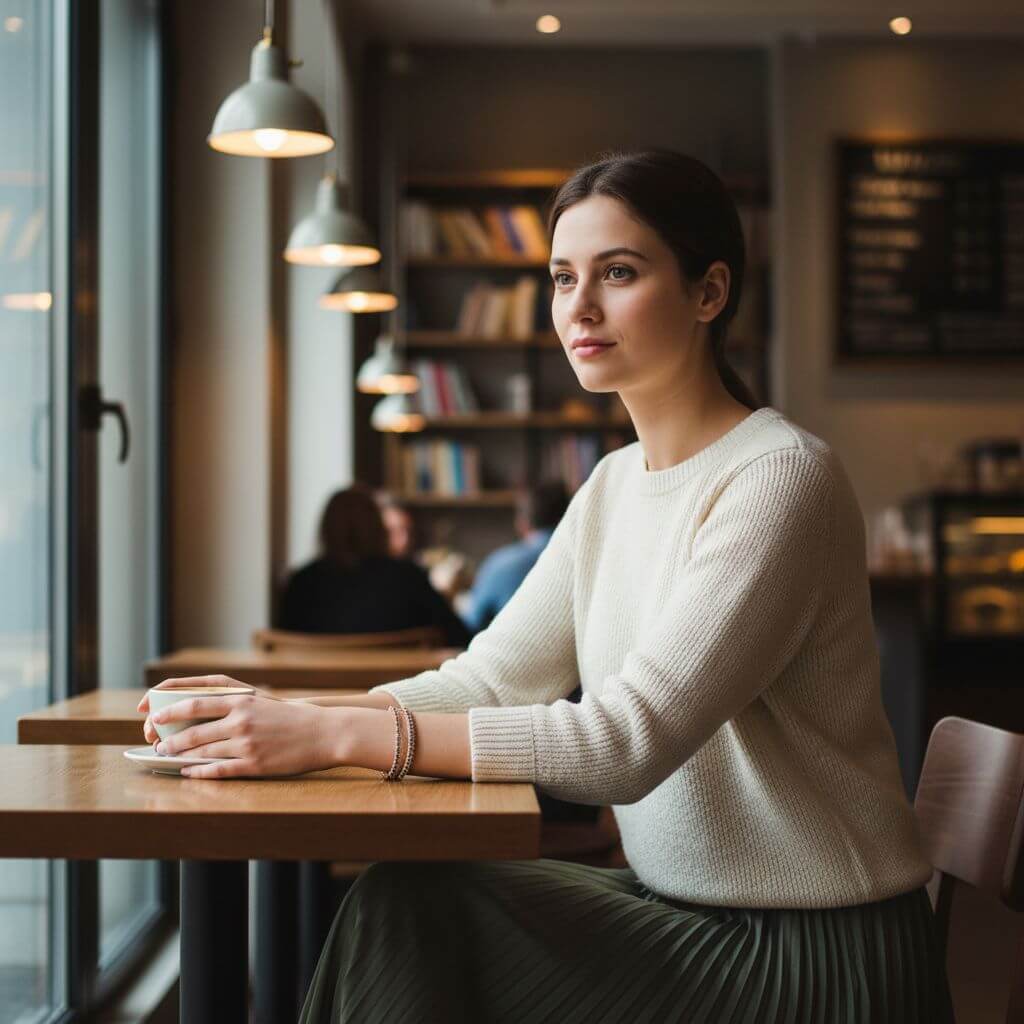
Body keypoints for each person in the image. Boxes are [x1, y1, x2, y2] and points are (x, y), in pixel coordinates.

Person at [140, 149, 953, 1022]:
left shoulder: (779, 478)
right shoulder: (611, 486)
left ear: (710, 293)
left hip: (812, 955)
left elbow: (622, 744)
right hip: (682, 915)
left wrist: (328, 730)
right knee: (402, 907)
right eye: (563, 277)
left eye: (620, 272)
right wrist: (289, 721)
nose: (580, 307)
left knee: (409, 920)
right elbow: (485, 680)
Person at [276, 484, 470, 647]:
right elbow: (458, 637)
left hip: (308, 688)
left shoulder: (301, 582)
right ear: (378, 527)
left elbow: (283, 643)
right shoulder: (407, 577)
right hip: (390, 687)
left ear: (325, 529)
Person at [462, 480, 569, 633]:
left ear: (522, 523)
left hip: (516, 652)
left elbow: (472, 622)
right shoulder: (586, 561)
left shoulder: (499, 564)